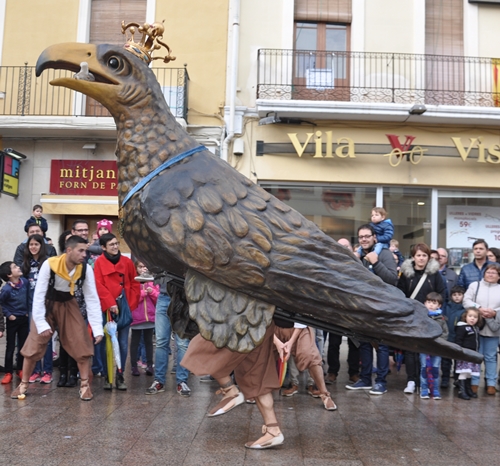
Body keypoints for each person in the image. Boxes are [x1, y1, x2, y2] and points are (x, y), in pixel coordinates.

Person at [11, 235, 104, 401]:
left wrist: (97, 328)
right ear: (69, 250)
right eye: (81, 250)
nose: (85, 254)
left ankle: (84, 385)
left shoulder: (85, 268)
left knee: (81, 342)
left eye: (86, 251)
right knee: (34, 343)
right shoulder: (50, 264)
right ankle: (24, 383)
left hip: (69, 304)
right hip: (48, 304)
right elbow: (38, 295)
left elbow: (92, 298)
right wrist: (41, 323)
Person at [182, 321, 284, 449]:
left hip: (245, 317)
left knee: (202, 348)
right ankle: (272, 429)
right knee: (256, 375)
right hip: (261, 320)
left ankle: (230, 390)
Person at [346, 224, 397, 395]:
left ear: (375, 237)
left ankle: (381, 381)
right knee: (365, 344)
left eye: (367, 236)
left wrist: (376, 262)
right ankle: (366, 379)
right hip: (363, 308)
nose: (364, 239)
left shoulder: (384, 254)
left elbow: (392, 279)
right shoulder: (358, 256)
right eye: (361, 237)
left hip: (382, 307)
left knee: (382, 346)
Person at [397, 243, 446, 395]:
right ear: (413, 257)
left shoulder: (435, 274)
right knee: (411, 350)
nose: (421, 258)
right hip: (411, 316)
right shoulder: (406, 274)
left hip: (430, 318)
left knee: (426, 350)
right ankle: (411, 380)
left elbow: (443, 293)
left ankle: (426, 381)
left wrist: (436, 311)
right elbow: (400, 294)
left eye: (424, 255)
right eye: (418, 255)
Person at [93, 233, 140, 390]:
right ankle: (108, 376)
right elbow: (98, 285)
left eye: (116, 243)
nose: (115, 246)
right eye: (111, 244)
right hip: (107, 308)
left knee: (123, 343)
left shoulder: (127, 262)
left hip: (124, 307)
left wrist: (130, 305)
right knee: (107, 344)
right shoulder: (99, 263)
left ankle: (120, 375)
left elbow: (134, 284)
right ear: (103, 247)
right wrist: (110, 303)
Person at [146, 272, 192, 397]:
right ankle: (159, 380)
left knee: (182, 342)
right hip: (164, 296)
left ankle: (182, 381)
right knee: (161, 341)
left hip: (183, 297)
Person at [273, 320, 336, 410]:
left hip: (298, 328)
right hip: (271, 328)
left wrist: (290, 343)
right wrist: (278, 343)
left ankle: (325, 394)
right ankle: (255, 390)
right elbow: (262, 319)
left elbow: (301, 319)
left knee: (310, 356)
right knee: (258, 356)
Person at [463, 263, 500, 395]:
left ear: (498, 276)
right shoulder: (475, 285)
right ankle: (474, 382)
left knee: (491, 357)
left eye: (494, 273)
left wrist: (494, 312)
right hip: (476, 326)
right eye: (488, 272)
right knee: (476, 355)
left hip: (494, 328)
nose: (490, 274)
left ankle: (491, 383)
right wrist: (478, 308)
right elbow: (466, 300)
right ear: (484, 273)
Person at [20, 234, 53, 385]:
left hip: (46, 306)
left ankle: (47, 371)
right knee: (33, 339)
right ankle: (33, 371)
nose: (33, 247)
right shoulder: (25, 265)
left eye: (36, 244)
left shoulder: (47, 263)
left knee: (47, 337)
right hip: (31, 307)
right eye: (31, 244)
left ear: (42, 246)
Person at [0, 262, 30, 384]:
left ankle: (20, 369)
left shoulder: (25, 283)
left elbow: (29, 297)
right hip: (13, 320)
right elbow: (1, 303)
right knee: (10, 346)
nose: (18, 268)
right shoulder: (6, 289)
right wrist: (8, 315)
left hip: (24, 318)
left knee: (22, 346)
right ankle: (8, 372)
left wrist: (28, 311)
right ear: (9, 274)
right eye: (14, 267)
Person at [130, 261, 158, 377]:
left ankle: (150, 364)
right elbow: (132, 298)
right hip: (137, 318)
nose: (143, 269)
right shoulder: (134, 281)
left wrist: (151, 292)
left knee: (148, 342)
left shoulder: (152, 281)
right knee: (135, 342)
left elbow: (158, 298)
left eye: (145, 266)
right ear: (136, 268)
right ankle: (133, 366)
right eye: (140, 267)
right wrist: (142, 294)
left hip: (150, 318)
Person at [419, 292, 448, 400]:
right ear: (425, 303)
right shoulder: (422, 317)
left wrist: (439, 341)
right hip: (424, 348)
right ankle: (424, 389)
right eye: (429, 302)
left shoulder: (442, 319)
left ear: (439, 305)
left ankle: (435, 389)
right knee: (424, 368)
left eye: (434, 303)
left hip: (437, 348)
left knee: (435, 369)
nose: (431, 305)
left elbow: (445, 333)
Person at [455, 308, 483, 400]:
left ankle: (468, 389)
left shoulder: (476, 328)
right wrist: (459, 351)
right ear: (465, 317)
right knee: (464, 372)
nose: (472, 319)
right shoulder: (463, 327)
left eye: (475, 317)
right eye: (470, 316)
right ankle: (461, 391)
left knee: (469, 373)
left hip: (473, 354)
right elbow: (458, 340)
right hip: (464, 354)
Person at [441, 285, 465, 388]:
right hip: (447, 338)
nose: (457, 297)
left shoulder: (464, 310)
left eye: (459, 295)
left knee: (458, 360)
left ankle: (457, 379)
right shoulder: (446, 308)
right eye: (454, 295)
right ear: (451, 296)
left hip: (458, 339)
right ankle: (445, 379)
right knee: (445, 360)